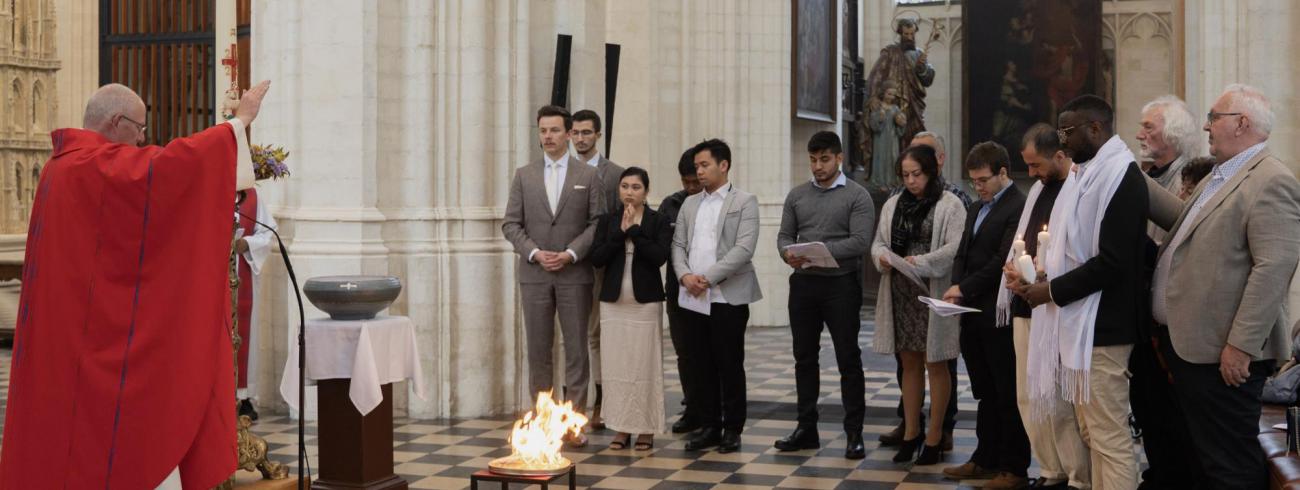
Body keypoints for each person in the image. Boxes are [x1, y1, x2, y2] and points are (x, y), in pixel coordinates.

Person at [0, 81, 269, 489]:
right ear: (116, 121)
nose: (143, 139)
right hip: (89, 344)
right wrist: (238, 123)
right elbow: (171, 167)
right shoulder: (93, 166)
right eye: (139, 129)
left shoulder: (59, 168)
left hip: (64, 337)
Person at [1146, 83, 1300, 490]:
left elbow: (1274, 268)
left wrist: (1241, 346)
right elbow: (1187, 225)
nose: (1207, 126)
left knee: (1229, 466)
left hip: (1224, 355)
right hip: (1195, 347)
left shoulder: (1270, 180)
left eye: (1214, 117)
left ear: (1242, 123)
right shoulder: (1224, 174)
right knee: (1202, 460)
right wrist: (1129, 180)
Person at [1010, 95, 1149, 490]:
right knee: (1092, 434)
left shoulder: (1121, 176)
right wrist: (1039, 272)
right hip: (1085, 324)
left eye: (1068, 131)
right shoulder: (1088, 176)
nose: (1062, 140)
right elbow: (1070, 250)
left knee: (1109, 437)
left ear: (1095, 129)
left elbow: (1114, 261)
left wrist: (1050, 290)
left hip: (1106, 326)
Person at [501, 105, 605, 448]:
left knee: (576, 349)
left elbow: (596, 223)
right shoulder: (524, 175)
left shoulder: (587, 176)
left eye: (555, 130)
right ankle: (543, 423)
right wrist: (533, 252)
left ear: (568, 133)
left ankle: (573, 425)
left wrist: (571, 253)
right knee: (538, 351)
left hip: (574, 273)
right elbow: (510, 223)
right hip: (534, 275)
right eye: (543, 130)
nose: (548, 136)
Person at [1000, 123, 1090, 490]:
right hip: (1027, 304)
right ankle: (1050, 470)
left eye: (1036, 165)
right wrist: (1015, 268)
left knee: (1057, 398)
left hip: (1058, 306)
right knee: (1028, 393)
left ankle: (1077, 476)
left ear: (1059, 155)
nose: (1032, 174)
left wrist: (1043, 274)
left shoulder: (1079, 190)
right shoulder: (1038, 189)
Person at [774, 131, 874, 459]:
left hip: (840, 285)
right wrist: (788, 253)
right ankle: (806, 428)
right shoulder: (797, 195)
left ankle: (854, 432)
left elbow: (860, 241)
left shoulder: (857, 196)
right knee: (804, 357)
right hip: (803, 285)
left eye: (824, 160)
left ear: (839, 158)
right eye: (813, 160)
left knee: (848, 358)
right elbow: (784, 236)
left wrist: (822, 250)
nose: (817, 166)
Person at [940, 141, 1029, 488]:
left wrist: (965, 288)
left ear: (1003, 173)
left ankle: (1013, 466)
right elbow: (963, 253)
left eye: (983, 180)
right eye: (973, 180)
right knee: (985, 392)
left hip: (999, 313)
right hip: (972, 313)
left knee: (1006, 391)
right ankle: (984, 458)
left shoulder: (1018, 206)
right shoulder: (977, 208)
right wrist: (956, 287)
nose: (977, 187)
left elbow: (1001, 260)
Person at [871, 145, 966, 465]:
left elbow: (954, 249)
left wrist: (921, 262)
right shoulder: (893, 203)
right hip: (900, 290)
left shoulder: (950, 204)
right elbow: (879, 243)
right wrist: (882, 258)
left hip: (932, 291)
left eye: (917, 174)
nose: (911, 181)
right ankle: (911, 433)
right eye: (905, 175)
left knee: (935, 363)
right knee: (908, 362)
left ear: (931, 172)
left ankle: (935, 437)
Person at [671, 139, 762, 454]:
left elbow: (743, 249)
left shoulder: (745, 201)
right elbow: (678, 246)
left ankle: (732, 429)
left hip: (727, 296)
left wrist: (706, 278)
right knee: (700, 364)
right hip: (693, 296)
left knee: (729, 363)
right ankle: (709, 425)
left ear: (723, 165)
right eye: (697, 166)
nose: (699, 171)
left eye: (704, 165)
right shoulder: (689, 203)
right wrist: (685, 276)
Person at [588, 167, 673, 451]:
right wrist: (618, 234)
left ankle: (646, 428)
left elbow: (660, 257)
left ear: (646, 192)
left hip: (645, 303)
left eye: (636, 187)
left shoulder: (658, 220)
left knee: (644, 365)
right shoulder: (607, 220)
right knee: (617, 365)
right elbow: (597, 258)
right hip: (613, 304)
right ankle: (621, 427)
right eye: (624, 186)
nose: (629, 192)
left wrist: (634, 232)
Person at [571, 109, 623, 430]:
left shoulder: (614, 174)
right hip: (568, 266)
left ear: (598, 135)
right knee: (572, 336)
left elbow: (617, 220)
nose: (580, 138)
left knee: (597, 334)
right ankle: (571, 402)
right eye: (575, 133)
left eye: (586, 133)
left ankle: (602, 401)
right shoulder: (562, 171)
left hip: (600, 266)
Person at [659, 148, 704, 435]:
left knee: (712, 352)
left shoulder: (714, 203)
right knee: (685, 352)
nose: (690, 188)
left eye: (695, 182)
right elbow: (663, 245)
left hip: (709, 286)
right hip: (678, 288)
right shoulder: (671, 204)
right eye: (685, 182)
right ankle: (692, 407)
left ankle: (715, 407)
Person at [234, 186, 278, 422]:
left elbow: (267, 233)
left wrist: (247, 244)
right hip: (211, 275)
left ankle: (244, 396)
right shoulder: (206, 186)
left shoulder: (252, 196)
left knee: (245, 334)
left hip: (242, 274)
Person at [1135, 95, 1200, 243]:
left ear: (1173, 133)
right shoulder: (1150, 175)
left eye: (1148, 127)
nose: (1139, 135)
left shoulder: (1190, 183)